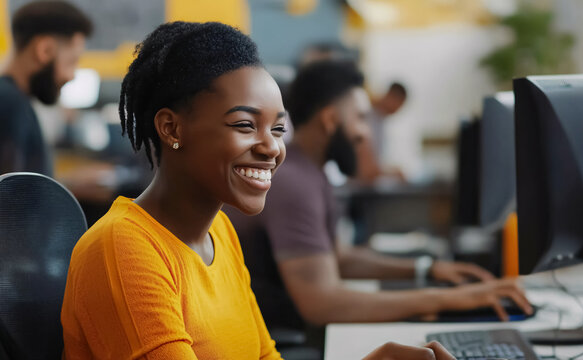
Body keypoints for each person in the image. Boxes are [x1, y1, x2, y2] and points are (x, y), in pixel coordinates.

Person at [60, 21, 454, 360]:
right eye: (246, 125)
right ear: (172, 128)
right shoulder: (123, 248)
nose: (272, 148)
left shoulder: (220, 232)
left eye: (278, 129)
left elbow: (265, 355)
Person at [226, 60, 532, 335]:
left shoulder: (309, 173)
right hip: (273, 342)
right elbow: (320, 304)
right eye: (360, 118)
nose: (366, 133)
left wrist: (427, 270)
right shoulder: (294, 183)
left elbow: (338, 257)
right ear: (330, 119)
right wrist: (451, 298)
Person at [0, 1, 92, 176]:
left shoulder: (16, 101)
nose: (71, 76)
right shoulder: (9, 103)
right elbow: (9, 197)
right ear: (45, 50)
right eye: (71, 61)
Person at [356, 82, 408, 184]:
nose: (398, 110)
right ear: (391, 96)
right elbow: (366, 169)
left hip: (369, 186)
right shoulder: (365, 116)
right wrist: (394, 172)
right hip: (357, 188)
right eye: (399, 104)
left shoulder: (381, 121)